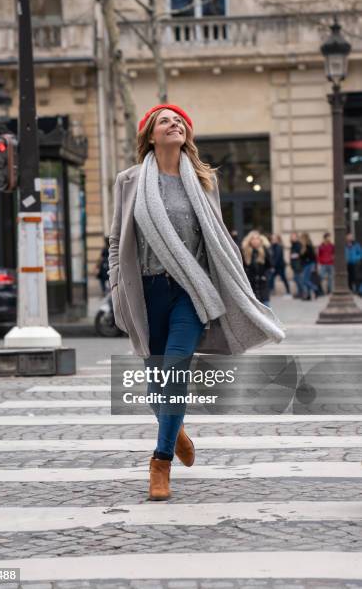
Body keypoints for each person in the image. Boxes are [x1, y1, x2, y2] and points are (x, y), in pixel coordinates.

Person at [108, 103, 285, 501]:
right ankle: (176, 428)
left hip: (190, 292)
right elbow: (116, 242)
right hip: (146, 292)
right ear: (150, 136)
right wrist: (116, 285)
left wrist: (229, 283)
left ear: (187, 133)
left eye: (179, 121)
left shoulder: (204, 180)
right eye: (164, 122)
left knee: (174, 371)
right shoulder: (129, 181)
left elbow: (215, 238)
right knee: (158, 383)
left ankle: (160, 462)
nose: (174, 125)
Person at [241, 231, 273, 307]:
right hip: (250, 285)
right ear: (249, 240)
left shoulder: (264, 251)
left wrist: (267, 248)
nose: (255, 241)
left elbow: (270, 265)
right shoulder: (245, 252)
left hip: (263, 284)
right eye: (253, 239)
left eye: (257, 238)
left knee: (266, 307)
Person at [299, 232, 318, 300]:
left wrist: (313, 265)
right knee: (306, 280)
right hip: (305, 265)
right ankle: (308, 295)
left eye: (301, 238)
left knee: (305, 280)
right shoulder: (303, 247)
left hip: (309, 265)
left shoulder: (308, 246)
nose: (300, 240)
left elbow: (313, 256)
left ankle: (315, 288)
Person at [289, 232, 303, 298]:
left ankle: (301, 293)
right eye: (292, 237)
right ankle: (300, 293)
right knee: (296, 279)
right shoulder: (293, 245)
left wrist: (293, 256)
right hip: (294, 265)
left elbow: (299, 254)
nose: (292, 238)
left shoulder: (298, 244)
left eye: (294, 236)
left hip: (298, 265)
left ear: (297, 237)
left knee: (298, 279)